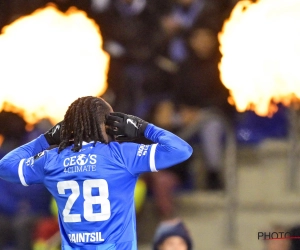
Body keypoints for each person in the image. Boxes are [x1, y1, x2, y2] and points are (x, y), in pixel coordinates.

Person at [0, 96, 193, 249]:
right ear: (106, 124)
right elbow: (181, 150)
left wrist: (46, 139)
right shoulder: (122, 155)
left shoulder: (52, 160)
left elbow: (5, 167)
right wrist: (143, 128)